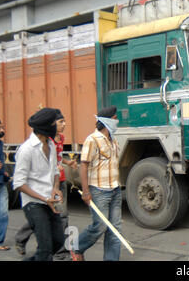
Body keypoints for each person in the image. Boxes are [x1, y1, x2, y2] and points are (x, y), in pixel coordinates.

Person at [15, 109, 77, 258]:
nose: (58, 127)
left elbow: (55, 169)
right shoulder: (26, 149)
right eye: (54, 124)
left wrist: (56, 187)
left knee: (58, 242)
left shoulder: (51, 144)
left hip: (49, 200)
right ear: (45, 127)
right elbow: (18, 183)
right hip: (34, 203)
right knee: (45, 248)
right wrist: (43, 199)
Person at [71, 106, 121, 261]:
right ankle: (77, 247)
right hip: (99, 191)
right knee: (100, 226)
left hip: (115, 189)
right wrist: (86, 191)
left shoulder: (113, 140)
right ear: (107, 121)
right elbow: (84, 165)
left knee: (115, 229)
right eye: (114, 119)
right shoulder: (92, 140)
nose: (117, 121)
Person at [0, 119, 11, 251]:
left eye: (2, 128)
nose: (2, 131)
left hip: (1, 182)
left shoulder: (0, 144)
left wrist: (4, 172)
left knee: (3, 213)